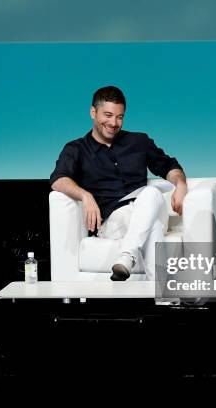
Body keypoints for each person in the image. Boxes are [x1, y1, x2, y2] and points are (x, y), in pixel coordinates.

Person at [50, 86, 187, 281]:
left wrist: (181, 185)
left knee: (151, 193)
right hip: (113, 220)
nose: (114, 123)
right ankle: (165, 299)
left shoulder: (138, 141)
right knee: (153, 228)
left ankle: (127, 255)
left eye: (120, 117)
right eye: (108, 115)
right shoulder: (76, 149)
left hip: (150, 206)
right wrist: (85, 195)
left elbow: (168, 165)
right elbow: (58, 179)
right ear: (93, 112)